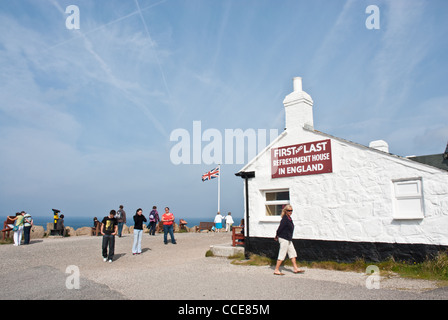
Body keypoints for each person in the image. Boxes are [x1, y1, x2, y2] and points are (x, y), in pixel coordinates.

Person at [273, 205, 305, 275]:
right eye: (289, 211)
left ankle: (295, 268)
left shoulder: (289, 218)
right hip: (284, 238)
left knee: (292, 253)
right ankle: (276, 269)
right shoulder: (285, 219)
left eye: (291, 210)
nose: (290, 212)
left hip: (288, 238)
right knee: (282, 253)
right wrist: (276, 236)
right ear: (285, 211)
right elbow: (280, 228)